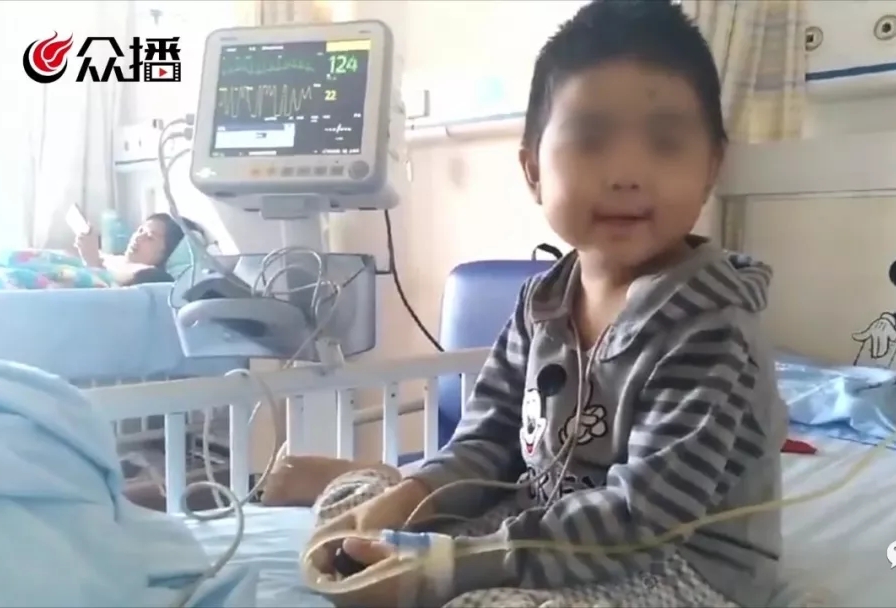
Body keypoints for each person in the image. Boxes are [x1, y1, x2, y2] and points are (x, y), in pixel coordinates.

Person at [306, 2, 786, 606]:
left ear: (711, 168)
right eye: (590, 141)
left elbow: (643, 518)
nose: (627, 173)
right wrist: (410, 500)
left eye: (665, 144)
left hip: (678, 560)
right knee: (361, 505)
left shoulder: (711, 329)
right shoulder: (543, 304)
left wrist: (444, 568)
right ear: (533, 169)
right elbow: (486, 444)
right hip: (546, 521)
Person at [75, 212, 203, 286]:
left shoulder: (151, 276)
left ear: (166, 252)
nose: (138, 237)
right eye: (140, 230)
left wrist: (92, 261)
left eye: (150, 237)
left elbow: (106, 297)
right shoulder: (116, 260)